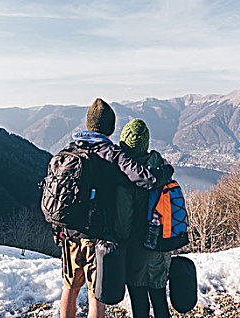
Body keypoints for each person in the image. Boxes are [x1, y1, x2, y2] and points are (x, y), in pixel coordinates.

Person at [58, 99, 174, 318]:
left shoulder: (70, 149)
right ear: (110, 129)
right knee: (96, 296)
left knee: (70, 288)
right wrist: (167, 169)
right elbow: (146, 179)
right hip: (96, 235)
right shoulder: (110, 153)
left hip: (70, 233)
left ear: (88, 123)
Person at [113, 119, 172, 318]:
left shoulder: (126, 178)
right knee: (160, 301)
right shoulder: (160, 167)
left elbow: (123, 224)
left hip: (137, 251)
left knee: (140, 305)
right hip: (161, 248)